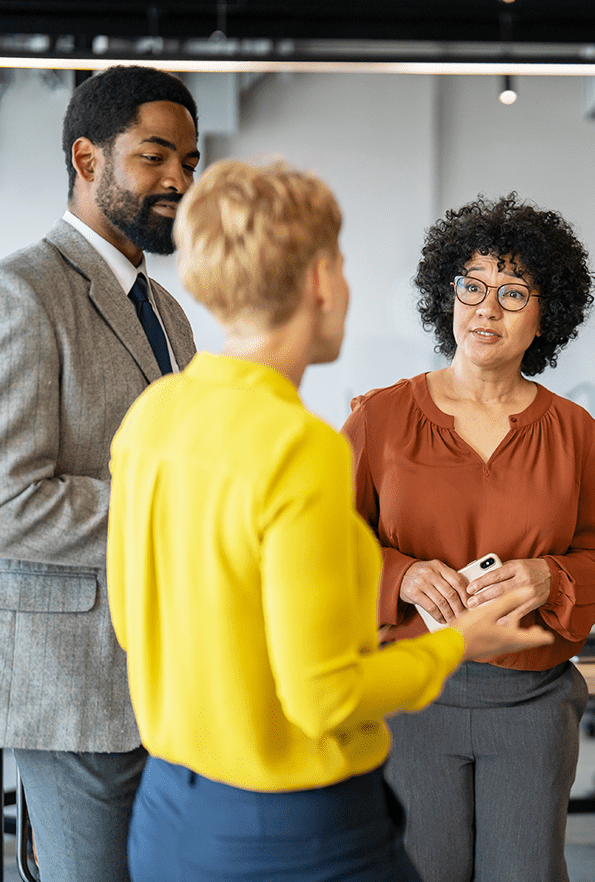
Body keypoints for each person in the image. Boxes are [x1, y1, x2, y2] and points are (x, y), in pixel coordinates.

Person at [106, 159, 555, 882]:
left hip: (168, 812)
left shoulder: (156, 413)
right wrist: (454, 645)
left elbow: (134, 622)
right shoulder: (298, 448)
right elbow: (326, 698)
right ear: (319, 280)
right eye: (340, 264)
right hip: (292, 828)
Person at [340, 193, 595, 882]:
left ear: (545, 313)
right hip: (413, 694)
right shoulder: (378, 418)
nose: (485, 308)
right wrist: (399, 574)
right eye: (470, 286)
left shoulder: (573, 430)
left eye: (512, 291)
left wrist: (549, 579)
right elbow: (325, 547)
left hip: (532, 703)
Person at [0, 65, 200, 882]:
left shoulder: (172, 313)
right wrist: (174, 508)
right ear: (88, 160)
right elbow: (11, 500)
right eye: (155, 156)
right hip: (74, 683)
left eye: (189, 162)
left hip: (172, 677)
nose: (178, 181)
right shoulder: (24, 294)